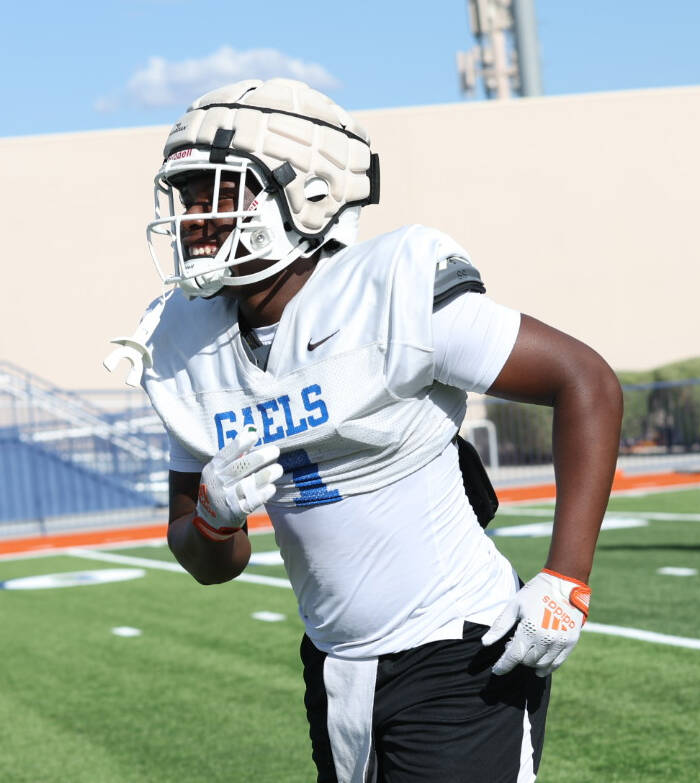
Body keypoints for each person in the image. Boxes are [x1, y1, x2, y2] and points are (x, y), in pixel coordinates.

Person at [104, 79, 622, 783]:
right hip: (333, 660)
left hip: (458, 647)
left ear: (307, 197)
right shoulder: (185, 343)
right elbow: (204, 561)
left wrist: (566, 579)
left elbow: (585, 380)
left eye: (217, 194)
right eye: (188, 198)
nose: (194, 218)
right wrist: (214, 517)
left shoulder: (388, 290)